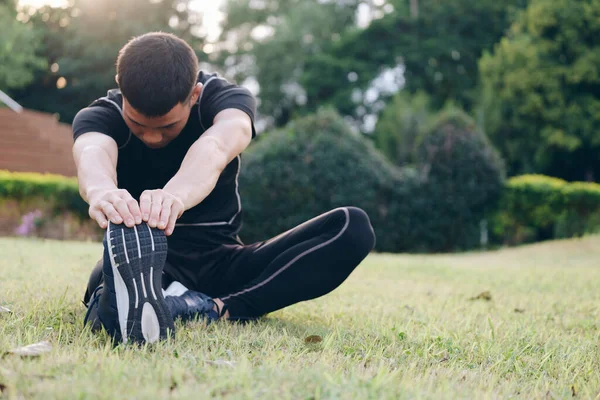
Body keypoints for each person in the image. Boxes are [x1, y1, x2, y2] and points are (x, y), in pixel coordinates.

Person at [73, 32, 376, 344]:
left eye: (166, 127)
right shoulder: (101, 115)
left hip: (222, 261)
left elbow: (217, 146)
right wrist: (101, 191)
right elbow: (91, 153)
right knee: (108, 293)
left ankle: (212, 307)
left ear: (194, 94)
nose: (151, 138)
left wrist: (174, 195)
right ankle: (154, 301)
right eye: (138, 125)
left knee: (352, 228)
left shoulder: (225, 100)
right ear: (121, 89)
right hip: (151, 264)